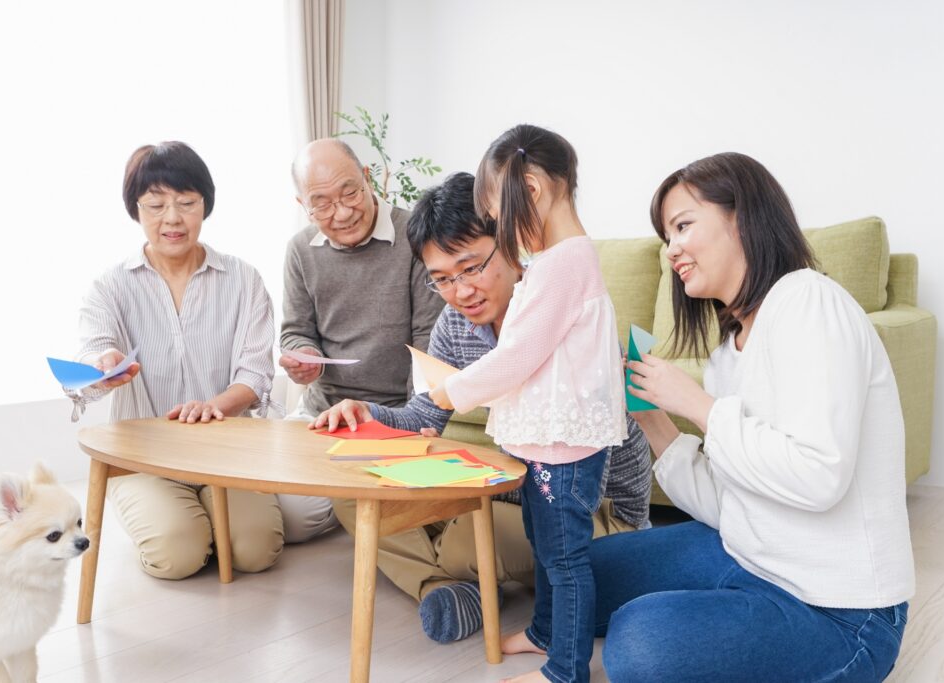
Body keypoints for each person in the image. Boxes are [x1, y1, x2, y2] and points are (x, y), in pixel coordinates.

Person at [590, 152, 914, 682]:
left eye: (683, 226)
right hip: (751, 560)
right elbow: (730, 505)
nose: (671, 249)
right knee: (586, 570)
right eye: (666, 236)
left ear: (741, 218)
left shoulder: (809, 302)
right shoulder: (726, 355)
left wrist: (697, 404)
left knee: (640, 640)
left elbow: (819, 476)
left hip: (841, 612)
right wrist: (652, 420)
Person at [311, 172, 651, 646]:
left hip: (596, 512)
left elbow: (581, 475)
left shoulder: (562, 305)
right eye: (442, 279)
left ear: (508, 243)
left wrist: (471, 492)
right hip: (515, 495)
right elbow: (424, 416)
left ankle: (455, 571)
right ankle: (444, 588)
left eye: (471, 268)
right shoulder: (455, 325)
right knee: (354, 494)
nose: (461, 291)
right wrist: (367, 413)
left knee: (463, 538)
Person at [73, 141, 334, 581]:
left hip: (228, 452)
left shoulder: (242, 279)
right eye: (156, 205)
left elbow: (255, 373)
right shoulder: (110, 286)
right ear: (135, 209)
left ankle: (208, 522)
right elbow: (92, 350)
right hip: (144, 458)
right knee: (177, 558)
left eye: (186, 203)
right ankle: (181, 523)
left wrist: (215, 406)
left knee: (256, 551)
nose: (172, 218)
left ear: (205, 205)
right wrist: (103, 363)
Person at [427, 126, 629, 683]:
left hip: (564, 451)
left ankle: (565, 670)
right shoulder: (559, 261)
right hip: (550, 445)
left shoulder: (563, 264)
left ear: (533, 190)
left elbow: (516, 357)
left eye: (498, 216)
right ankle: (544, 632)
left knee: (564, 559)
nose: (500, 230)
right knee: (545, 546)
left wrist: (450, 390)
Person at [280, 138, 445, 418]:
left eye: (350, 194)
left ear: (366, 178)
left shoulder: (415, 236)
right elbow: (296, 331)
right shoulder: (300, 249)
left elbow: (428, 340)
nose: (343, 213)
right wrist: (305, 356)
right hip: (322, 410)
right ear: (303, 205)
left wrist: (414, 418)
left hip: (395, 412)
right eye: (322, 205)